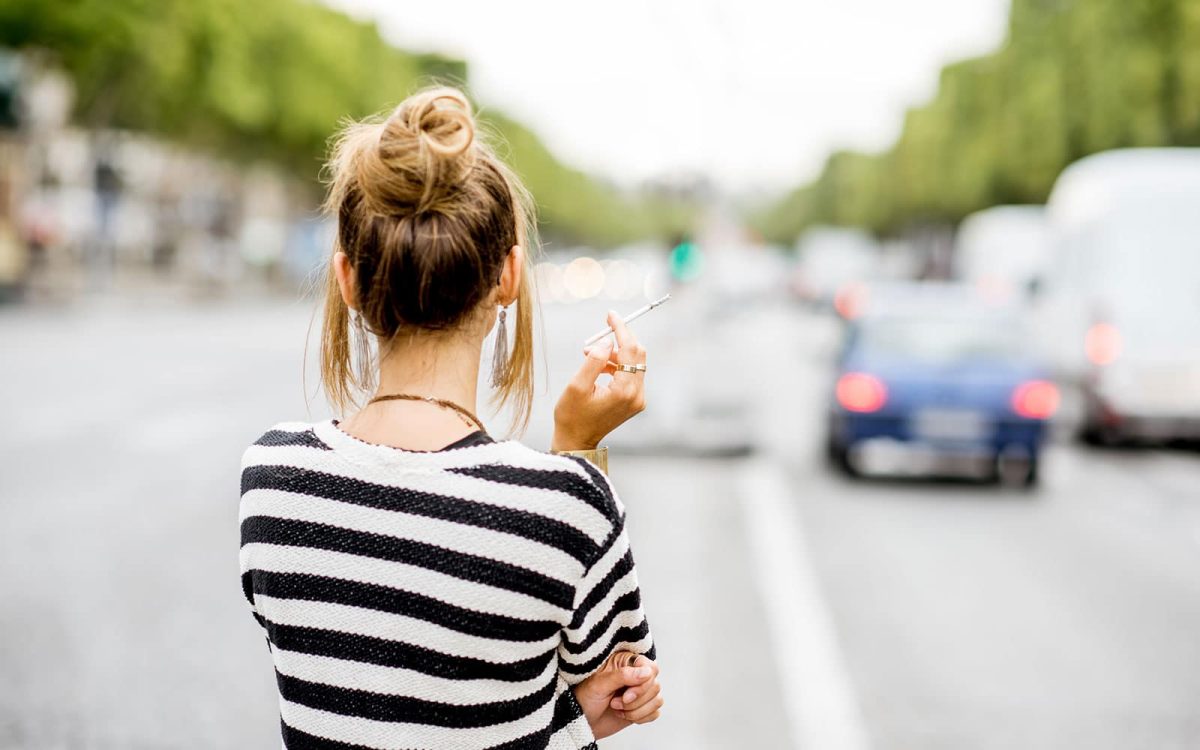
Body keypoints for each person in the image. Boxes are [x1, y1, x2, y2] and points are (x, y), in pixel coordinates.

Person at [238, 87, 661, 750]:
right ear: (508, 277)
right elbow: (625, 684)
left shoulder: (270, 477)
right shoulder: (563, 506)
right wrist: (578, 449)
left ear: (347, 279)